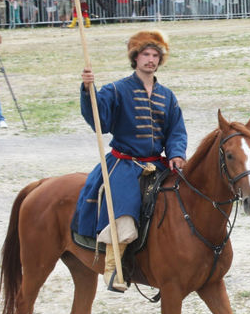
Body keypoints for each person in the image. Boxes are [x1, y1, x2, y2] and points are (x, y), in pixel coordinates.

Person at [75, 30, 187, 292]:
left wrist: (177, 154)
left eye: (155, 55)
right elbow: (99, 121)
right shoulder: (116, 90)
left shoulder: (167, 96)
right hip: (124, 163)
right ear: (135, 58)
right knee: (125, 207)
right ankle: (114, 269)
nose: (151, 59)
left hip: (157, 163)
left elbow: (176, 131)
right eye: (146, 54)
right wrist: (88, 90)